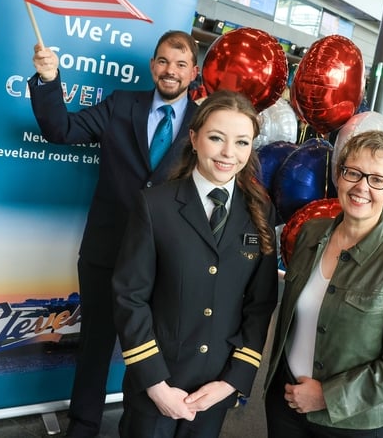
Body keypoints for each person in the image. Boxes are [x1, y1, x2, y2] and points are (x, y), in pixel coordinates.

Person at [28, 30, 200, 437]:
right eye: (162, 61)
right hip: (106, 250)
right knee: (95, 346)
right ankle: (83, 427)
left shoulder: (204, 123)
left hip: (165, 260)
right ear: (152, 65)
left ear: (194, 72)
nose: (169, 71)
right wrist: (49, 80)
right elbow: (61, 130)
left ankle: (135, 429)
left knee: (150, 353)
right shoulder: (122, 104)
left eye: (180, 64)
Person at [112, 90, 278, 437]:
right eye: (216, 138)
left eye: (242, 142)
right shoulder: (155, 205)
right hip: (155, 384)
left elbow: (260, 305)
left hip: (214, 389)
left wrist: (232, 382)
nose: (228, 153)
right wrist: (156, 384)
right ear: (194, 137)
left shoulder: (260, 212)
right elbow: (130, 297)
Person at [263, 130, 383, 438]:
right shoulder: (310, 233)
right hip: (285, 402)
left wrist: (326, 396)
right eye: (353, 172)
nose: (361, 187)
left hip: (351, 423)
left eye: (377, 179)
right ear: (339, 175)